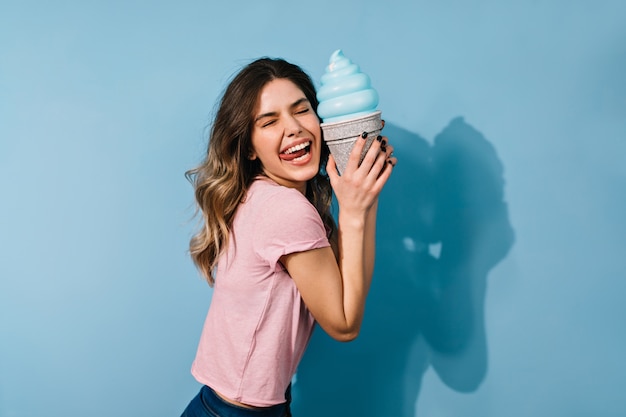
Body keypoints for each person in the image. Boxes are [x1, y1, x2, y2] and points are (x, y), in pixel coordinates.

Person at [180, 56, 397, 417]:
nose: (293, 128)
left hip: (225, 406)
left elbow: (342, 278)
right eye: (269, 122)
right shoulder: (285, 209)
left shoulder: (260, 194)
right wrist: (358, 210)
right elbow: (344, 324)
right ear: (248, 146)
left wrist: (363, 199)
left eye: (301, 110)